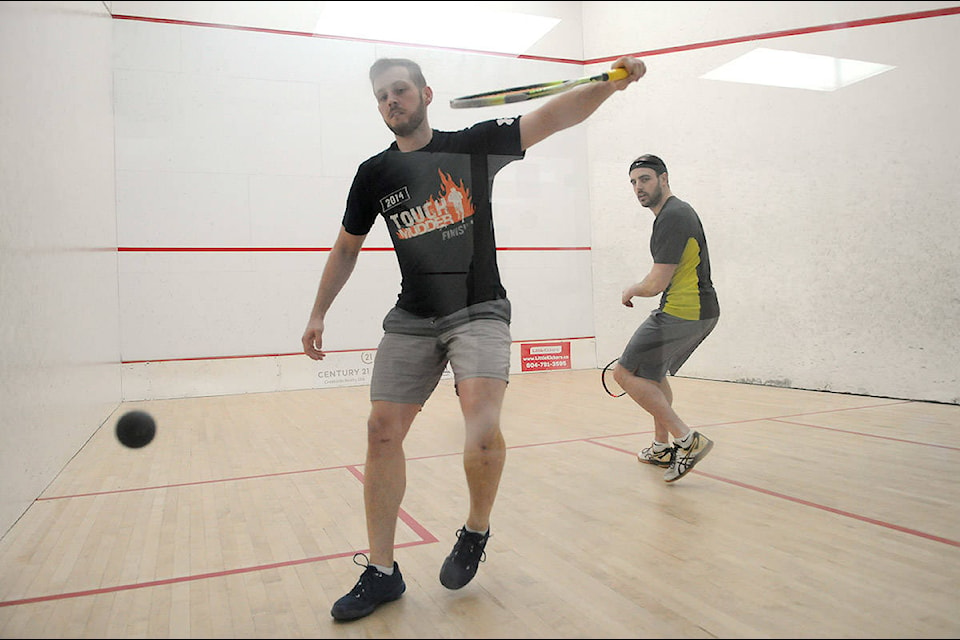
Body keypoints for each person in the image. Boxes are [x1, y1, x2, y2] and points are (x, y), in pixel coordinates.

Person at [302, 56, 647, 621]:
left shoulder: (472, 146)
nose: (392, 101)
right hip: (412, 316)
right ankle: (383, 572)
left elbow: (555, 116)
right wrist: (318, 312)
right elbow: (346, 248)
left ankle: (475, 529)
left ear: (426, 94)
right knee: (380, 431)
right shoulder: (374, 175)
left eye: (401, 90)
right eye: (382, 95)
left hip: (479, 309)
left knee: (481, 426)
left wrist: (609, 83)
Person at [613, 154, 720, 483]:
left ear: (663, 178)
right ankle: (662, 447)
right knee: (653, 374)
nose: (638, 187)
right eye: (633, 182)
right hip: (698, 310)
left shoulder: (672, 216)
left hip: (682, 311)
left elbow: (656, 283)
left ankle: (686, 440)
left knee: (624, 373)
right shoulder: (676, 213)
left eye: (644, 179)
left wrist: (631, 289)